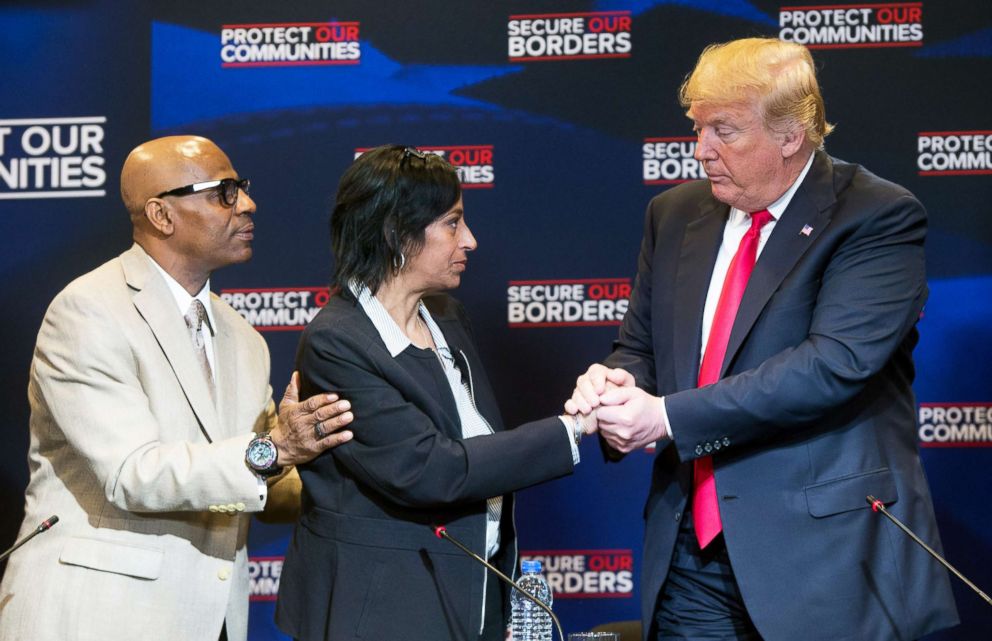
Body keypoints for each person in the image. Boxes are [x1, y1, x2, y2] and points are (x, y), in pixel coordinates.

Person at [567, 38, 959, 641]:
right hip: (691, 559)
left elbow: (832, 366)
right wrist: (618, 387)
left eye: (725, 131)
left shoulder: (875, 215)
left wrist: (665, 417)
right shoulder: (672, 215)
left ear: (791, 134)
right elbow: (641, 349)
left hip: (826, 561)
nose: (702, 151)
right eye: (697, 129)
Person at [0, 135, 355, 641]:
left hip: (210, 620)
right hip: (99, 617)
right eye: (223, 192)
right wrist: (276, 448)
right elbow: (133, 474)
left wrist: (359, 469)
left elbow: (261, 485)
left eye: (243, 189)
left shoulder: (245, 338)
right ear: (161, 215)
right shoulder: (88, 311)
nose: (248, 205)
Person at [275, 145, 596, 641]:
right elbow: (430, 470)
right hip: (381, 611)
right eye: (451, 223)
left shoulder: (446, 316)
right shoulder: (336, 340)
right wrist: (570, 430)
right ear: (396, 233)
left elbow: (474, 441)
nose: (469, 239)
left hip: (468, 594)